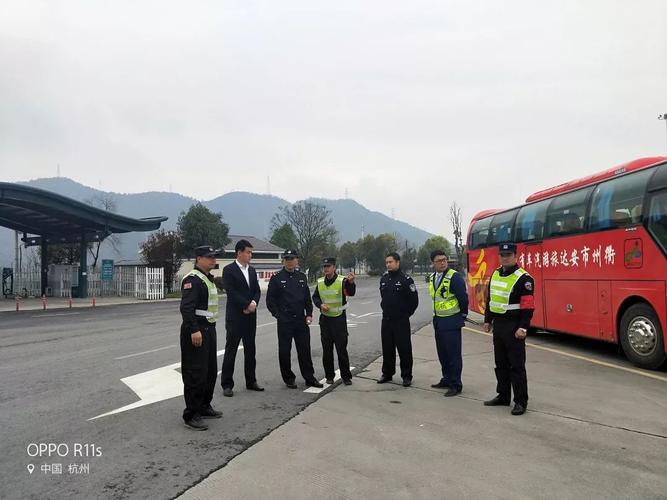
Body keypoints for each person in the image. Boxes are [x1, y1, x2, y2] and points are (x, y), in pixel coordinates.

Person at [483, 242, 535, 416]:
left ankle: (520, 401)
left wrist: (523, 328)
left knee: (516, 366)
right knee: (500, 364)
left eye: (508, 255)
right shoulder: (495, 274)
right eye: (502, 255)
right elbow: (491, 299)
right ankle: (503, 395)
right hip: (498, 325)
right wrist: (487, 320)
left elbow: (528, 306)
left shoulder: (524, 278)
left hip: (514, 327)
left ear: (516, 256)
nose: (505, 258)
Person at [179, 245, 224, 431]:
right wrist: (194, 330)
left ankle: (205, 405)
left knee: (209, 371)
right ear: (198, 259)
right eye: (209, 257)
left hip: (208, 329)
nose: (214, 260)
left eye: (214, 257)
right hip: (196, 331)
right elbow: (186, 308)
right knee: (195, 373)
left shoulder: (207, 279)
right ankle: (191, 414)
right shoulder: (193, 279)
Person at [266, 249, 323, 389]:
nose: (289, 261)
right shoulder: (276, 278)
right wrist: (277, 314)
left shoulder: (302, 277)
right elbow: (270, 300)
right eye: (287, 259)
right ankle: (288, 378)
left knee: (304, 350)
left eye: (292, 258)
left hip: (300, 320)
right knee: (284, 351)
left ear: (297, 260)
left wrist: (309, 314)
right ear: (284, 261)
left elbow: (306, 299)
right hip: (285, 320)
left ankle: (309, 378)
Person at [220, 239, 263, 397]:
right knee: (231, 350)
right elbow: (231, 292)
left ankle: (251, 381)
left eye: (251, 252)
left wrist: (253, 303)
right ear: (239, 252)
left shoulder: (252, 271)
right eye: (248, 252)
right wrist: (245, 305)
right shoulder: (229, 270)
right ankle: (227, 384)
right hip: (236, 317)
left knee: (250, 349)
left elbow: (257, 291)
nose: (250, 255)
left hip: (250, 317)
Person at [428, 250, 469, 397]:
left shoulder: (454, 277)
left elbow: (463, 298)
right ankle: (446, 378)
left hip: (451, 321)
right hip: (438, 321)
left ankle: (455, 384)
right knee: (443, 354)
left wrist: (463, 315)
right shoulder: (432, 277)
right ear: (433, 263)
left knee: (453, 355)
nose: (442, 262)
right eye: (438, 260)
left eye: (444, 259)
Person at [312, 257, 356, 385]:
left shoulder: (342, 281)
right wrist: (320, 305)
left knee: (341, 350)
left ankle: (346, 377)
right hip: (325, 320)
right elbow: (315, 297)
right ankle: (329, 376)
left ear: (334, 267)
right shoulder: (320, 282)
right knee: (327, 351)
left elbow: (350, 292)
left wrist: (351, 283)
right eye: (324, 266)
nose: (326, 269)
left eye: (328, 266)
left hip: (339, 319)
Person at [377, 252, 419, 387]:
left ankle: (406, 375)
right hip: (387, 320)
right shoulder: (384, 279)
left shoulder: (406, 279)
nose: (388, 264)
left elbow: (414, 301)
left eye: (391, 262)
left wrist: (405, 314)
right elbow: (383, 297)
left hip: (401, 320)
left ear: (397, 263)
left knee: (404, 349)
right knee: (387, 348)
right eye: (387, 262)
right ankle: (387, 373)